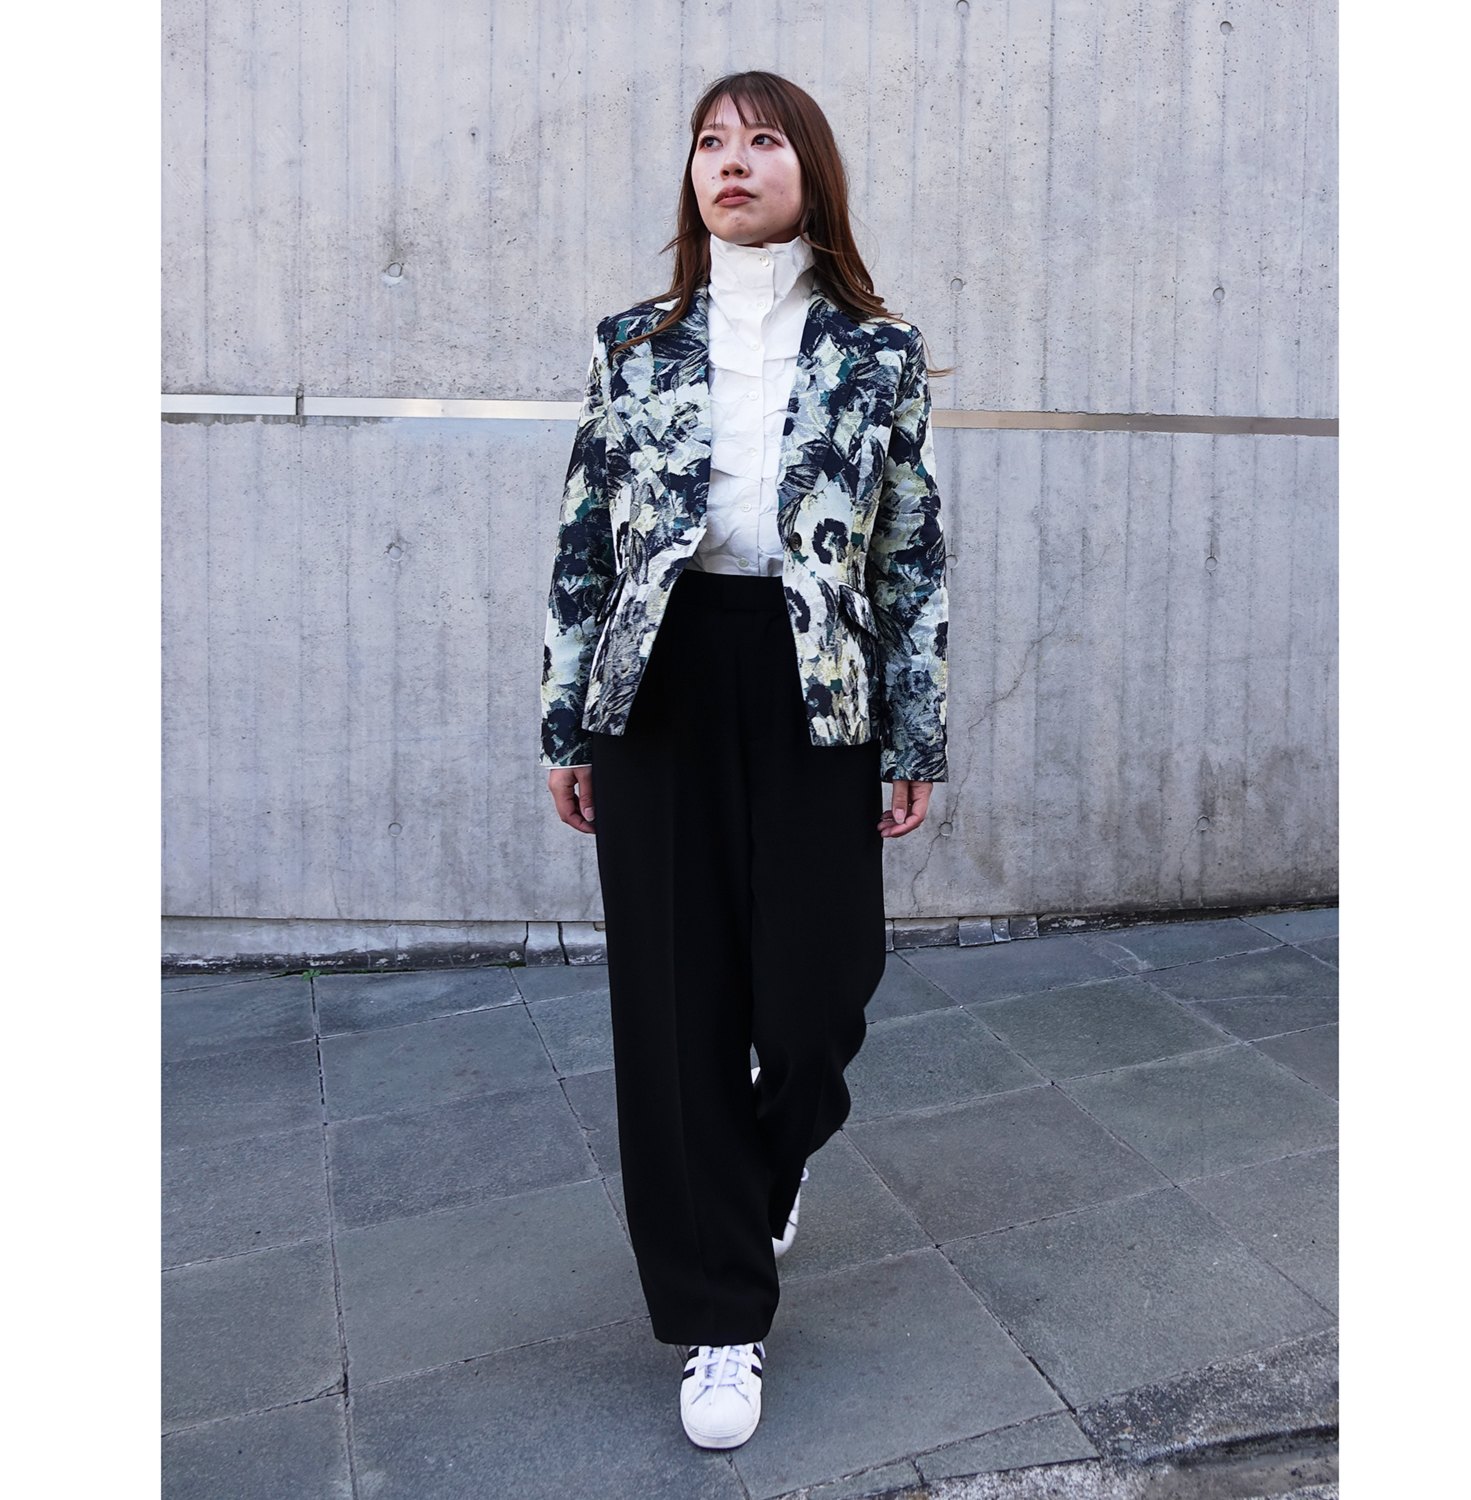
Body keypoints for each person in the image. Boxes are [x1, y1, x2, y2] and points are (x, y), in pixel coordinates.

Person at [538, 69, 949, 1451]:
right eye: (711, 142)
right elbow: (585, 539)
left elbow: (909, 553)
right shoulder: (635, 345)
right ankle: (722, 1313)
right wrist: (567, 718)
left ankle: (763, 1162)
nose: (732, 160)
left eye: (763, 140)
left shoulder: (880, 353)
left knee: (823, 991)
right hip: (658, 680)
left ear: (809, 172)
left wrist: (914, 728)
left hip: (813, 679)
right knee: (676, 1002)